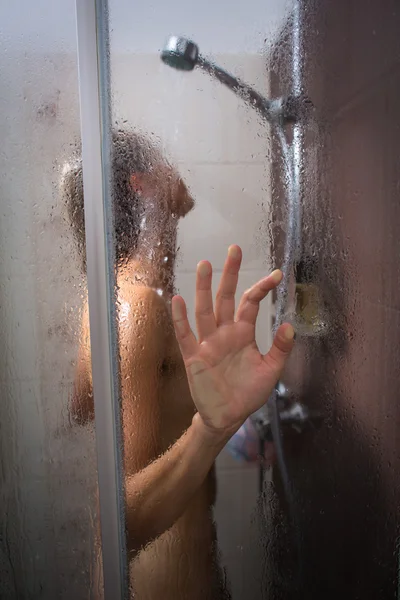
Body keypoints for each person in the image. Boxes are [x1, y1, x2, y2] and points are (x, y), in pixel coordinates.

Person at [62, 129, 294, 599]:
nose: (176, 168)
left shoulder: (111, 296)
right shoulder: (137, 305)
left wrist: (187, 408)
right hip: (162, 577)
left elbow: (84, 408)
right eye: (162, 160)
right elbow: (119, 521)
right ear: (140, 185)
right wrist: (208, 428)